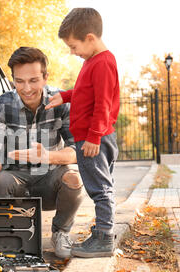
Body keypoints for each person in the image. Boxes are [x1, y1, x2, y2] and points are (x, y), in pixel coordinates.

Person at [0, 47, 84, 259]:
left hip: (50, 180)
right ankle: (10, 238)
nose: (27, 88)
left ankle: (60, 232)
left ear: (45, 77)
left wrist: (46, 157)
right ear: (12, 79)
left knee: (74, 178)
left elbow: (77, 150)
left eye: (33, 80)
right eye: (19, 81)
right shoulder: (1, 105)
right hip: (15, 181)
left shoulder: (61, 103)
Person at [45, 8, 120, 258]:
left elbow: (103, 104)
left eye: (73, 46)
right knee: (100, 186)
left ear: (90, 38)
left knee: (100, 188)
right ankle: (102, 232)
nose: (72, 52)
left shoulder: (103, 63)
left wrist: (93, 137)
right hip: (91, 136)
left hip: (93, 138)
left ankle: (105, 238)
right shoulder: (92, 61)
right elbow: (86, 92)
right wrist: (65, 96)